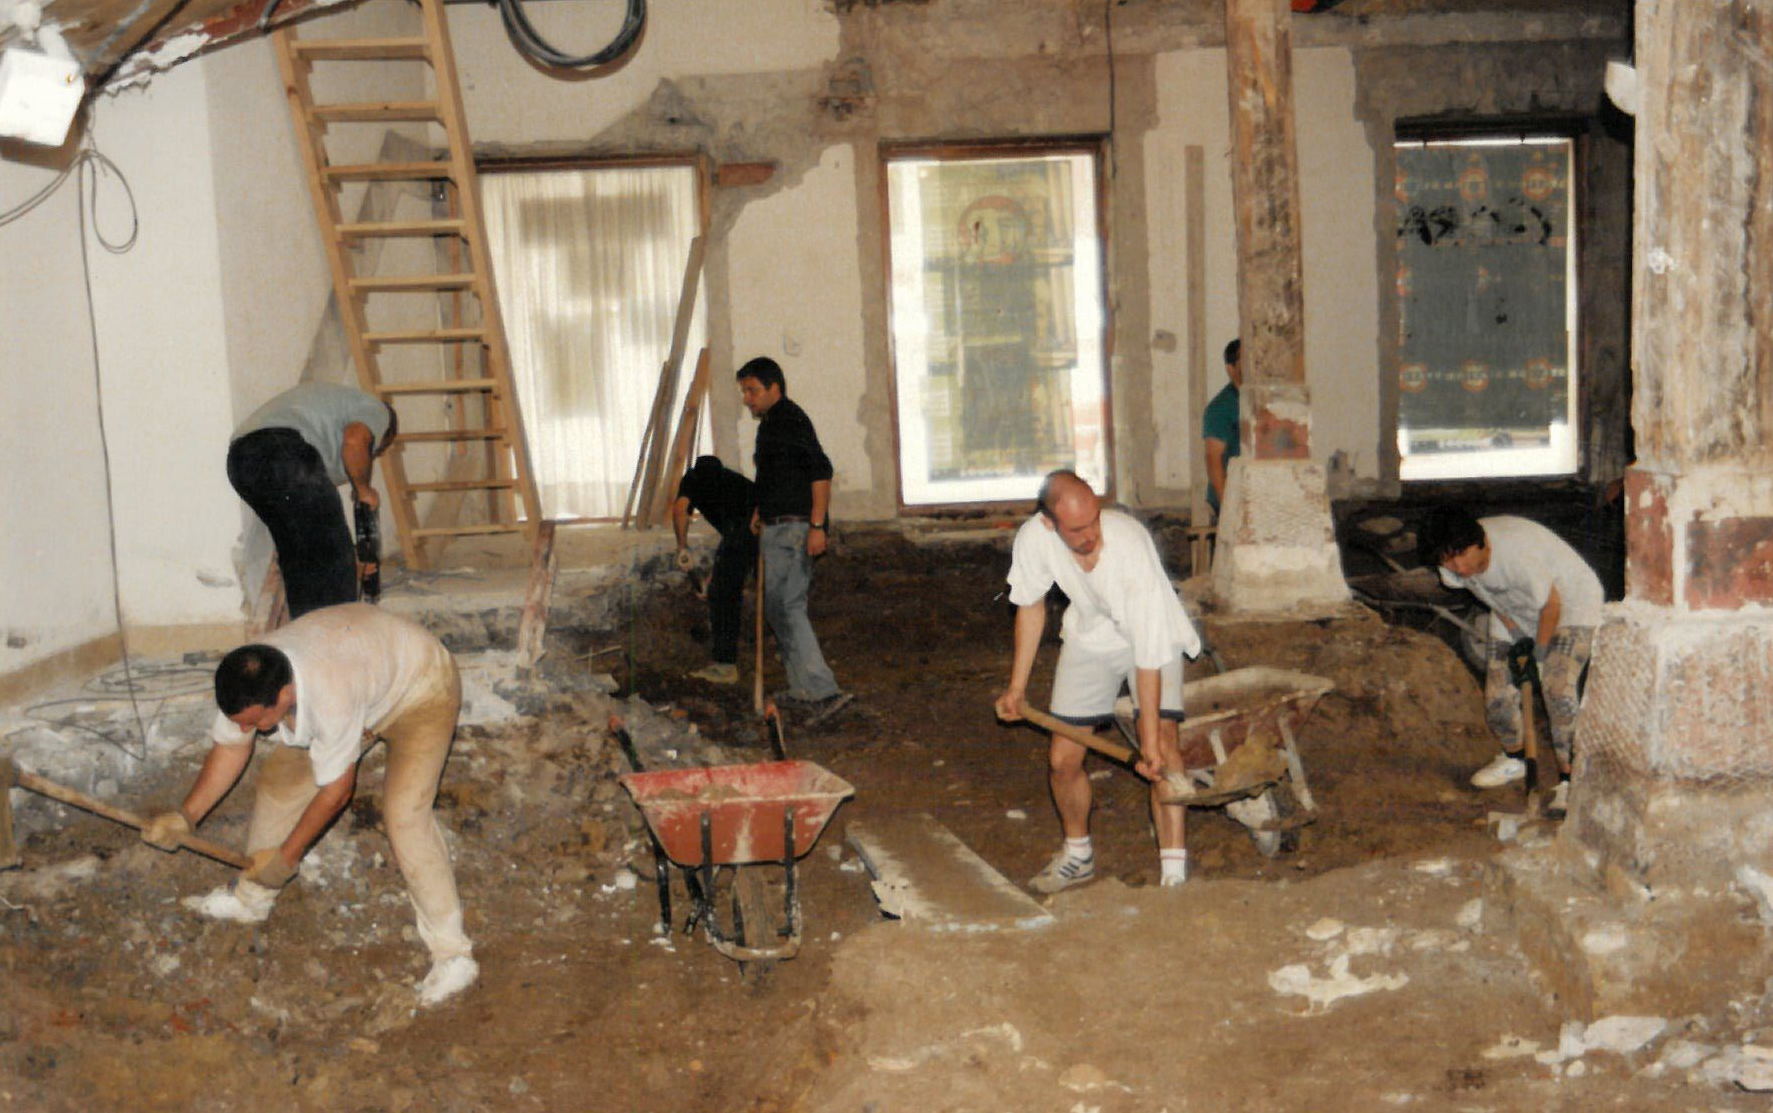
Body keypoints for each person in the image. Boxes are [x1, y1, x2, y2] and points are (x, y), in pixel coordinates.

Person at [140, 603, 477, 1008]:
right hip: (367, 675)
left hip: (421, 687)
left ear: (284, 696)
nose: (246, 729)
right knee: (278, 785)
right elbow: (231, 747)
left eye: (254, 722)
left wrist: (286, 857)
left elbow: (336, 792)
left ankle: (453, 954)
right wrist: (185, 816)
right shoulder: (249, 678)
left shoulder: (330, 693)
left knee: (405, 815)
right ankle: (252, 898)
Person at [993, 471, 1204, 892]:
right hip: (1091, 633)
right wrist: (1017, 688)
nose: (1091, 536)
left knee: (1163, 748)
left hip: (1154, 632)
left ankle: (1174, 876)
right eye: (1077, 529)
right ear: (1049, 523)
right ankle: (1078, 855)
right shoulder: (1034, 539)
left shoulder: (1128, 544)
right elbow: (1030, 606)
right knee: (1062, 759)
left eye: (1094, 522)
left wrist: (1147, 741)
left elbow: (1148, 652)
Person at [1418, 507, 1604, 809]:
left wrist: (1539, 655)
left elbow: (1551, 606)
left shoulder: (1517, 552)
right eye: (1448, 560)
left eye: (1462, 555)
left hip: (1572, 605)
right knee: (1497, 697)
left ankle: (1571, 779)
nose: (1459, 567)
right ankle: (1515, 759)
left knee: (1557, 689)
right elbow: (1491, 597)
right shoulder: (1452, 568)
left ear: (1480, 542)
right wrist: (1517, 633)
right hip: (1516, 611)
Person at [736, 356, 852, 724]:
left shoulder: (791, 420)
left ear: (774, 388)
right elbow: (777, 477)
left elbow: (821, 473)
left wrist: (817, 525)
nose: (747, 399)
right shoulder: (771, 425)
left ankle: (822, 689)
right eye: (744, 392)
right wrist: (762, 508)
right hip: (776, 527)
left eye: (752, 390)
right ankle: (803, 687)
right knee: (777, 609)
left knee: (788, 606)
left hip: (794, 530)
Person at [227, 382, 397, 618]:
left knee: (300, 559)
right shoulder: (378, 411)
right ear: (385, 436)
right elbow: (356, 440)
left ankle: (309, 631)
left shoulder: (326, 423)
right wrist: (363, 488)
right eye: (376, 451)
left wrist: (349, 563)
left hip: (241, 463)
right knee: (334, 554)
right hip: (282, 449)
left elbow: (314, 512)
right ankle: (337, 631)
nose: (373, 456)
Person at [671, 455, 758, 685]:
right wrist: (712, 579)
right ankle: (784, 651)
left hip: (744, 532)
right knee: (768, 592)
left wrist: (682, 546)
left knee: (724, 596)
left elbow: (680, 510)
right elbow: (731, 549)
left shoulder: (693, 478)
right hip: (765, 530)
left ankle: (725, 666)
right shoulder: (733, 480)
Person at [1202, 339, 1242, 518]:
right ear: (1230, 368)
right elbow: (1213, 460)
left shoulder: (1266, 403)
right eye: (1245, 360)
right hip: (1230, 502)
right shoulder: (1220, 408)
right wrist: (1228, 509)